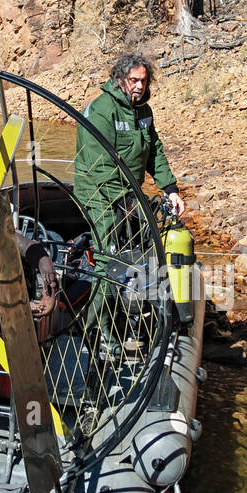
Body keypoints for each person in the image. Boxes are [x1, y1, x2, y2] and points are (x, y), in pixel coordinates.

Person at [73, 53, 185, 364]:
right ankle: (97, 335)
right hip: (99, 194)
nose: (138, 86)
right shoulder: (100, 111)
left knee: (135, 257)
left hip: (126, 195)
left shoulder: (144, 112)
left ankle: (130, 321)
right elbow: (99, 167)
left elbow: (154, 152)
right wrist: (129, 202)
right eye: (133, 80)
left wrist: (170, 188)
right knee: (106, 263)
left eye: (143, 81)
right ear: (120, 78)